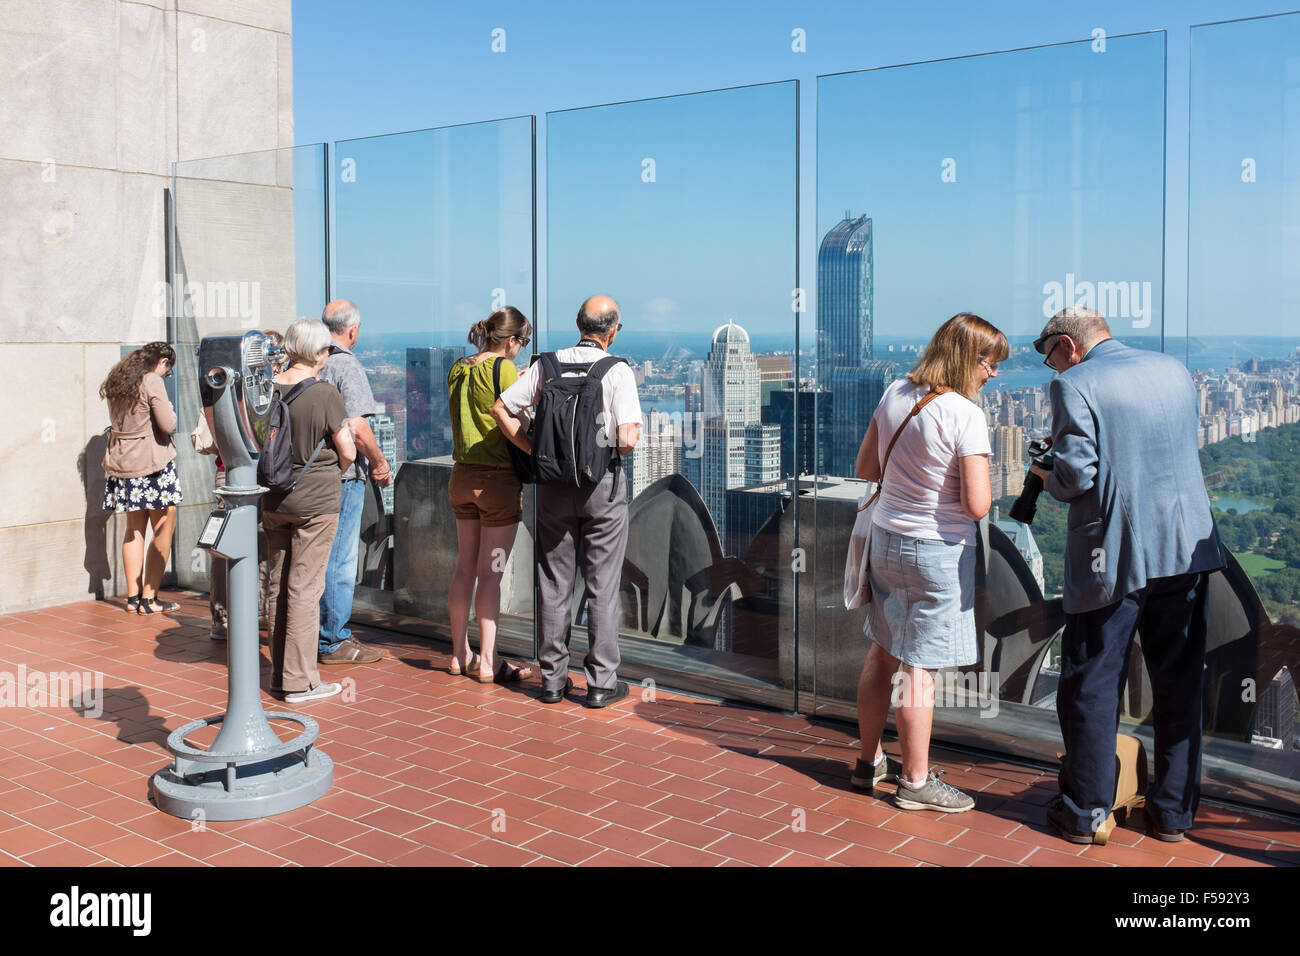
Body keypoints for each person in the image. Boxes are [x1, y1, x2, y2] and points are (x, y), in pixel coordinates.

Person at [1030, 306, 1224, 844]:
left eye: (1051, 360)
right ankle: (1173, 814)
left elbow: (1076, 476)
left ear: (1067, 345)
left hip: (1113, 558)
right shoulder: (1174, 370)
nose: (1055, 373)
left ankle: (1087, 810)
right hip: (1186, 551)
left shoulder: (1076, 386)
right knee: (1179, 683)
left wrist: (1045, 471)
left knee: (1092, 683)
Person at [849, 313, 1006, 812]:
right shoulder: (966, 414)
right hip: (938, 552)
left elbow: (866, 468)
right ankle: (916, 783)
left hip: (886, 540)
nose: (993, 373)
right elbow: (978, 505)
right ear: (965, 358)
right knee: (921, 668)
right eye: (988, 362)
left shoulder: (896, 391)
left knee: (883, 652)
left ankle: (868, 761)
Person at [492, 295, 642, 707]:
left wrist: (533, 449)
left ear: (579, 325)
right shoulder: (617, 371)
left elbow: (501, 407)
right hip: (601, 490)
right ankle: (600, 684)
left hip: (552, 488)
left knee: (553, 583)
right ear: (613, 331)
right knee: (602, 587)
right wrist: (607, 449)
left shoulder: (546, 364)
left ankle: (553, 681)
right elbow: (627, 439)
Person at [262, 318, 357, 703]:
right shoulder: (324, 394)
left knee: (277, 584)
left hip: (274, 498)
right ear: (318, 352)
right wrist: (333, 475)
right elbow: (348, 450)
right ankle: (301, 681)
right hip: (315, 502)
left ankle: (280, 674)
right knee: (305, 588)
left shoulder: (267, 389)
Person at [445, 307, 536, 683]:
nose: (521, 348)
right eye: (522, 341)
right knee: (492, 574)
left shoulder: (458, 367)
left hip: (461, 478)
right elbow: (510, 416)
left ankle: (458, 654)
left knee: (465, 568)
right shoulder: (504, 369)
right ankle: (488, 662)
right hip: (497, 483)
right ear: (511, 340)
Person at [316, 300, 390, 665]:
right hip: (343, 476)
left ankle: (313, 631)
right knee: (340, 558)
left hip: (309, 475)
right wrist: (379, 463)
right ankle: (333, 640)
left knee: (316, 556)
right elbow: (358, 427)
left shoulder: (307, 364)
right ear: (353, 330)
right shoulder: (346, 365)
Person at [202, 328, 282, 641]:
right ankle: (241, 615)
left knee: (234, 548)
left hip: (237, 474)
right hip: (243, 476)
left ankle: (230, 615)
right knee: (238, 547)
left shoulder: (232, 387)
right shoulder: (246, 391)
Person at [101, 341, 184, 614]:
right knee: (164, 526)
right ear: (162, 361)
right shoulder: (151, 381)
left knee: (133, 529)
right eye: (167, 369)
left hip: (123, 464)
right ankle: (150, 599)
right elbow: (168, 423)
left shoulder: (119, 379)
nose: (165, 374)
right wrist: (169, 406)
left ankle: (132, 598)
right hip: (152, 465)